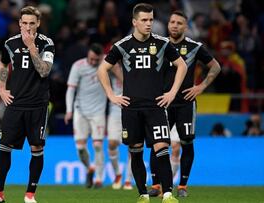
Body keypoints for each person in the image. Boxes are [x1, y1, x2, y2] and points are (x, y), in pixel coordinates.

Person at [97, 3, 187, 203]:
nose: (149, 24)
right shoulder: (122, 46)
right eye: (144, 20)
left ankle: (168, 195)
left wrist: (172, 92)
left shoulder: (163, 43)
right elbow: (102, 69)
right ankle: (143, 195)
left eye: (151, 20)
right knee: (135, 152)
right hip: (131, 108)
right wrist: (112, 95)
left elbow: (181, 66)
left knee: (162, 149)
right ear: (134, 22)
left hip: (155, 107)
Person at [0, 6, 54, 203]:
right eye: (25, 23)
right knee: (4, 147)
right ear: (19, 23)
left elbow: (44, 71)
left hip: (38, 105)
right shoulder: (10, 43)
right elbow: (3, 64)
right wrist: (2, 88)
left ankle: (30, 195)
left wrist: (31, 48)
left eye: (32, 23)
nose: (28, 27)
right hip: (15, 104)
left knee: (36, 148)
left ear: (38, 24)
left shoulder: (47, 44)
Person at [148, 10, 221, 198]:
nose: (174, 25)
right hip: (162, 103)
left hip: (185, 104)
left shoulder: (194, 47)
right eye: (172, 22)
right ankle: (156, 185)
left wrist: (201, 86)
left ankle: (182, 186)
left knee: (186, 143)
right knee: (159, 143)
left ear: (186, 27)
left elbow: (215, 67)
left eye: (179, 23)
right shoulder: (158, 45)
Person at [64, 43, 106, 189]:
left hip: (98, 112)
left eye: (97, 60)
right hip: (80, 111)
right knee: (81, 148)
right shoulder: (78, 66)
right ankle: (89, 168)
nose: (94, 62)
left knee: (98, 145)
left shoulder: (106, 63)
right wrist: (69, 110)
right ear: (88, 55)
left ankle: (99, 179)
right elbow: (70, 90)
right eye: (91, 59)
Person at [107, 64, 133, 190]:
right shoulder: (111, 67)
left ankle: (128, 179)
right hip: (115, 109)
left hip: (132, 109)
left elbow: (130, 83)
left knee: (133, 146)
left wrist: (118, 70)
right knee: (112, 143)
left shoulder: (134, 65)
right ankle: (118, 174)